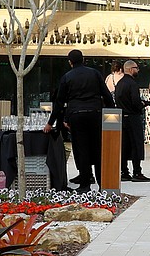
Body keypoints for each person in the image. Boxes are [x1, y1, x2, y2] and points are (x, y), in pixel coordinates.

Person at [45, 49, 114, 193]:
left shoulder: (67, 77)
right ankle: (102, 184)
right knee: (97, 148)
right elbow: (106, 95)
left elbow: (59, 102)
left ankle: (85, 185)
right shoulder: (95, 74)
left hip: (76, 115)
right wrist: (113, 111)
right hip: (95, 114)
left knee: (82, 149)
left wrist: (51, 122)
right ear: (83, 59)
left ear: (70, 62)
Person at [115, 60, 150, 182]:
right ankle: (137, 172)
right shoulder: (132, 84)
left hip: (122, 117)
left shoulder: (119, 83)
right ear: (130, 69)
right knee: (136, 144)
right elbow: (135, 102)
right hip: (133, 117)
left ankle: (124, 171)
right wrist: (142, 104)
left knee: (124, 145)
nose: (138, 70)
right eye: (136, 68)